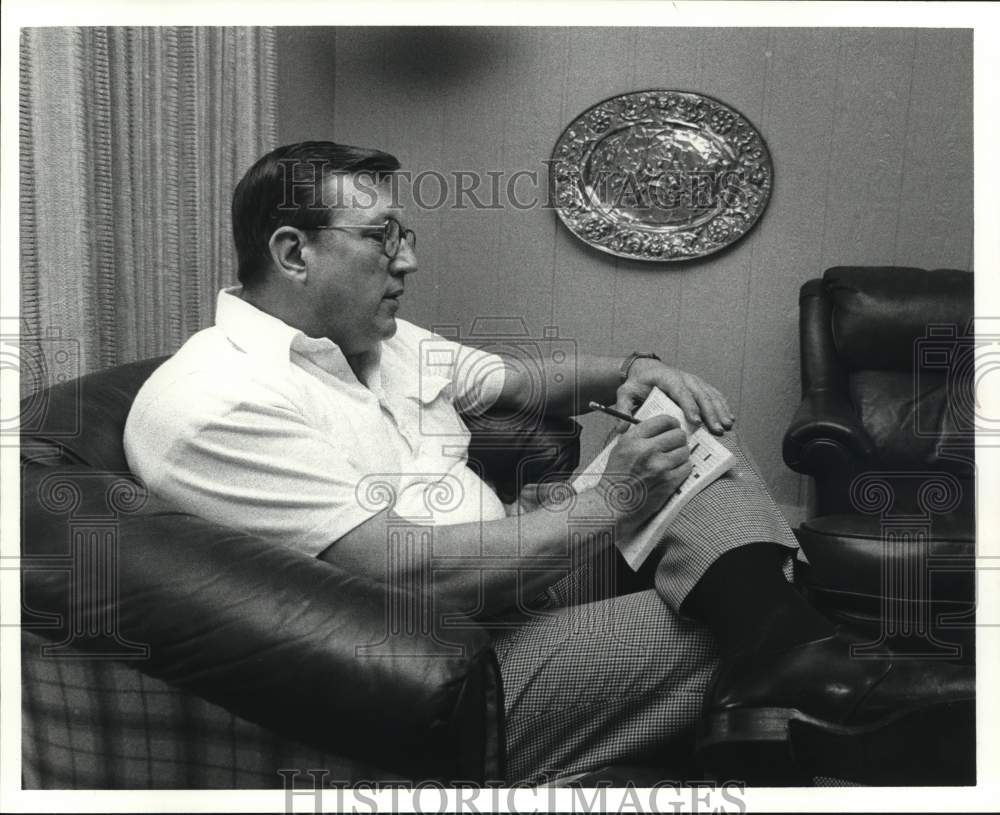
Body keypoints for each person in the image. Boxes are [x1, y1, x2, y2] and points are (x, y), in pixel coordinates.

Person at [124, 141, 972, 785]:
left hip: (518, 569)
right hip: (452, 662)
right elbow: (408, 577)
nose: (408, 260)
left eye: (404, 233)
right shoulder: (219, 404)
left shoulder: (372, 339)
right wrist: (611, 498)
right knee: (734, 609)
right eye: (382, 237)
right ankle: (804, 679)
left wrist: (629, 371)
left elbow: (522, 379)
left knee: (683, 430)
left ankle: (792, 665)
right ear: (293, 252)